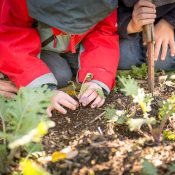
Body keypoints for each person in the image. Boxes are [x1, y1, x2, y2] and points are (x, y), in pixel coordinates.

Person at [0, 0, 119, 115]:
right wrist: (43, 90)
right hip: (28, 41)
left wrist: (97, 79)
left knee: (62, 73)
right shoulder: (17, 3)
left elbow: (103, 33)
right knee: (60, 75)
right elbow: (12, 37)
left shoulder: (102, 4)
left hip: (66, 44)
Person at [118, 0, 175, 71]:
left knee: (163, 60)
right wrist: (129, 25)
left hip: (168, 21)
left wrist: (169, 22)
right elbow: (106, 7)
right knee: (123, 57)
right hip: (130, 19)